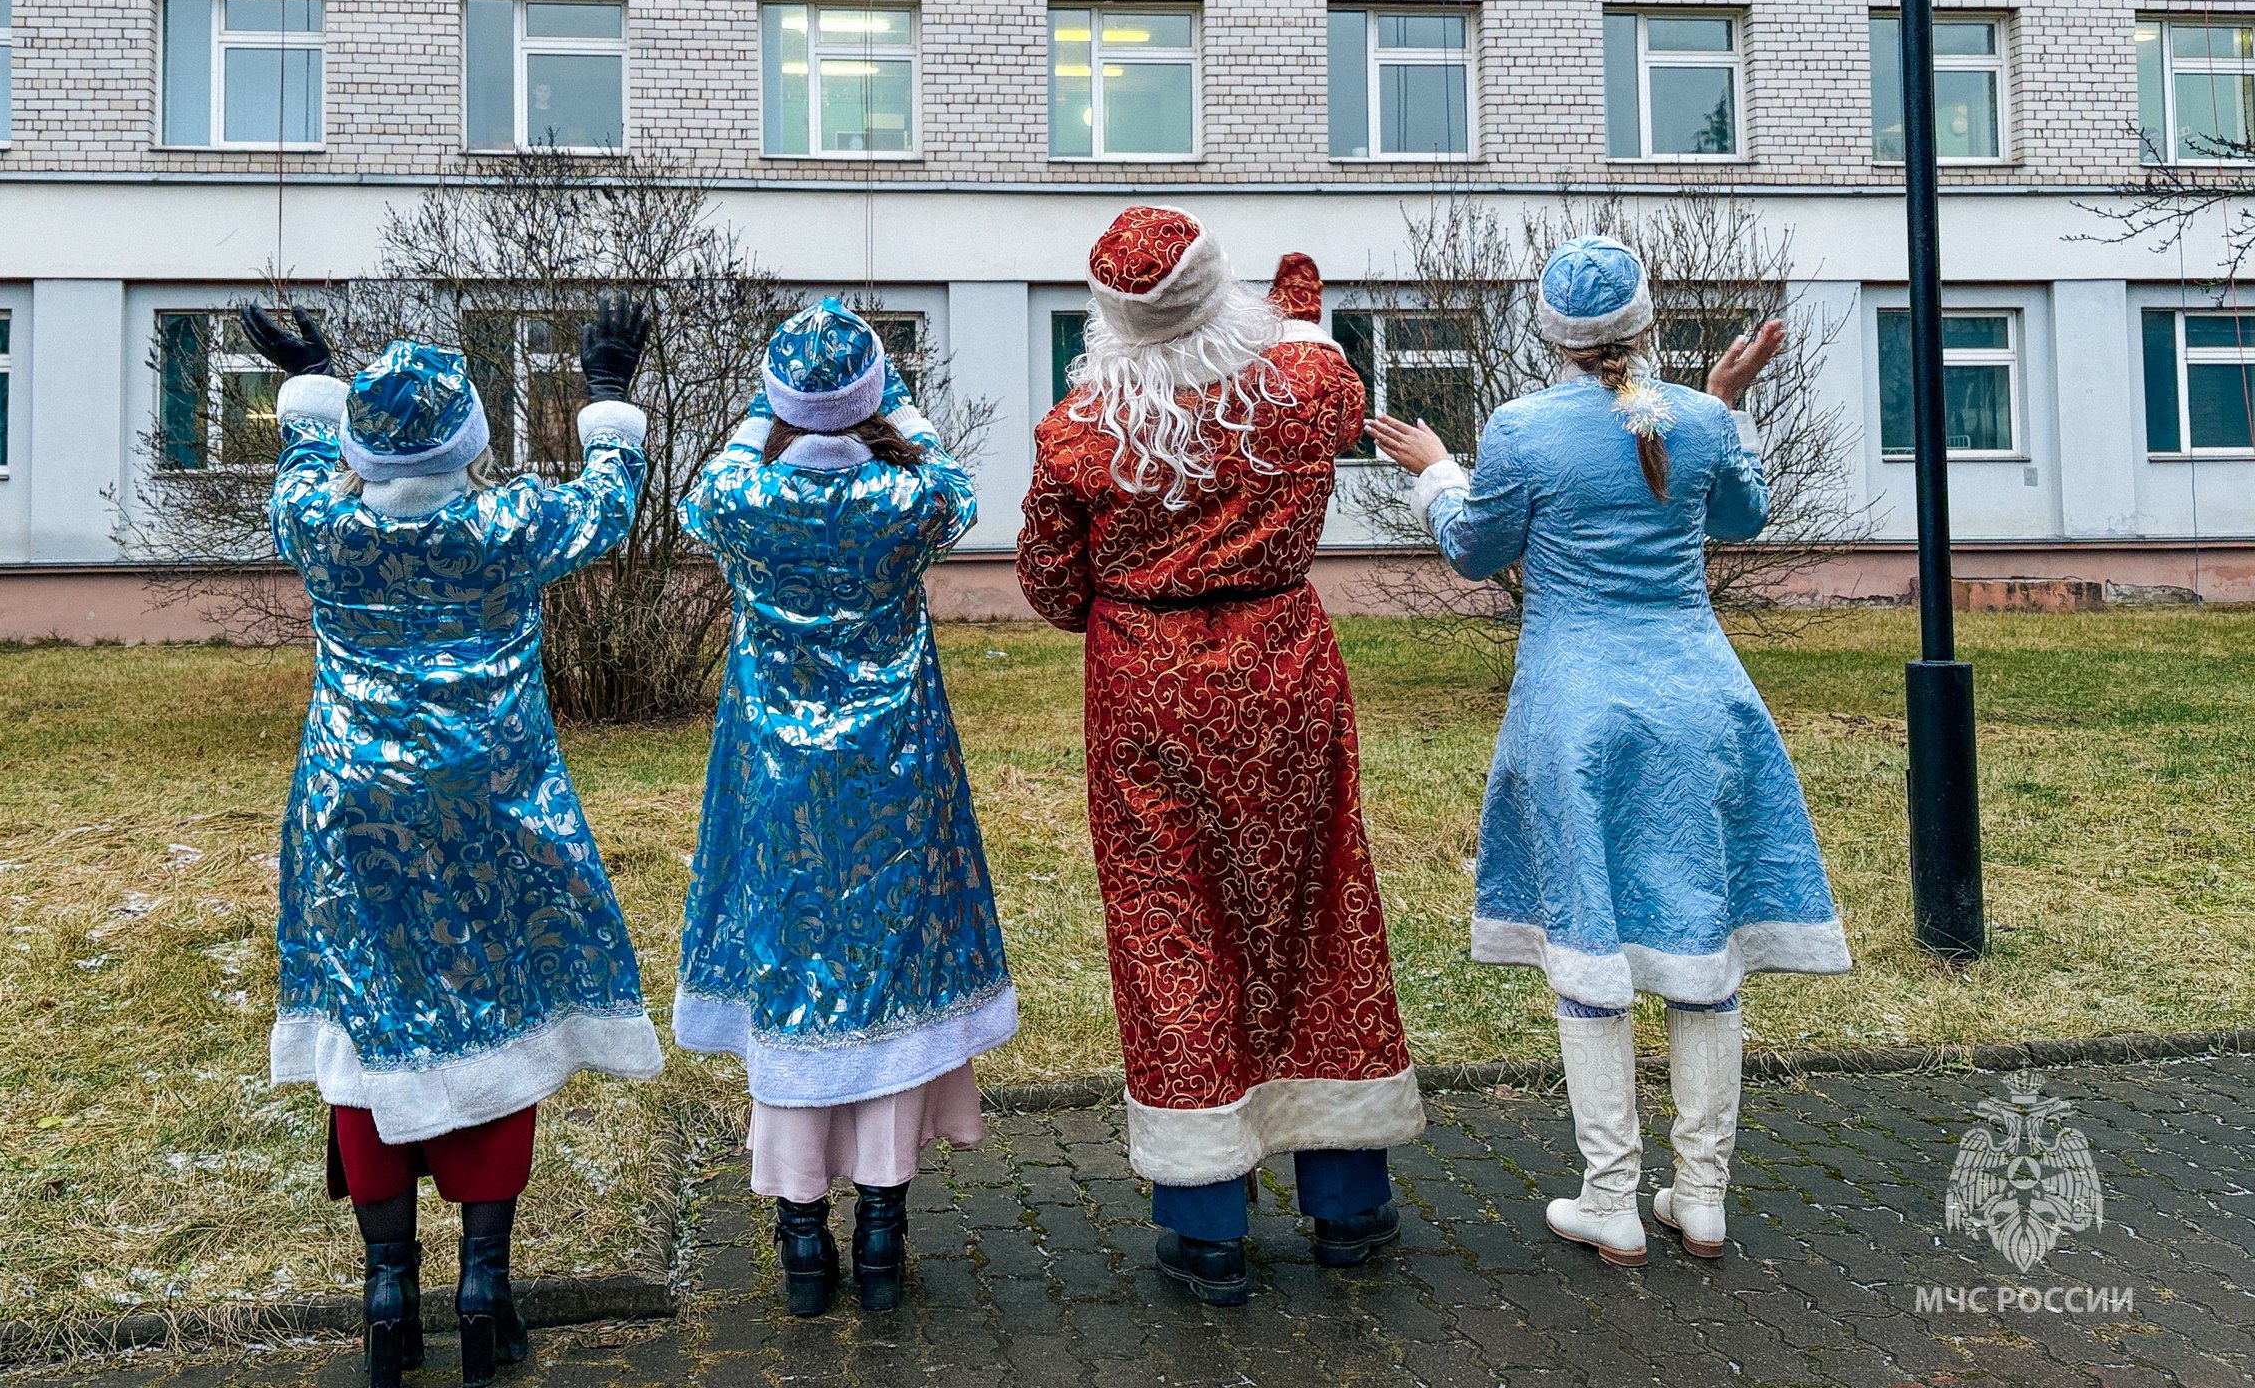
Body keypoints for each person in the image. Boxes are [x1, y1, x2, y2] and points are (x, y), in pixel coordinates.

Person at [1366, 235, 1851, 1268]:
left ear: (1552, 335)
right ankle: (1703, 1199)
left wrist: (1436, 470)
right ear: (1646, 321)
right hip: (1700, 701)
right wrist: (1726, 404)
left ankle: (1610, 1200)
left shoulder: (1521, 429)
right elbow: (1744, 517)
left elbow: (1473, 550)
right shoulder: (1699, 419)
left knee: (1589, 939)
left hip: (1578, 707)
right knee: (1701, 938)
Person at [241, 298, 663, 1387]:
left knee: (366, 1031)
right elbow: (609, 500)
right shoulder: (508, 526)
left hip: (354, 811)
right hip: (490, 807)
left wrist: (312, 377)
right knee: (495, 1022)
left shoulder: (321, 527)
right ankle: (484, 1290)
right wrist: (605, 389)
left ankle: (387, 1298)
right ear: (468, 437)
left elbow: (301, 459)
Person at [1016, 207, 1424, 1308]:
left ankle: (1206, 1227)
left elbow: (1051, 587)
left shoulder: (1077, 432)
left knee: (1170, 920)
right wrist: (1297, 314)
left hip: (1143, 688)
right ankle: (1346, 1204)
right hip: (1283, 666)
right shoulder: (1302, 391)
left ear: (1109, 315)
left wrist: (1132, 594)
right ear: (1215, 285)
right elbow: (1330, 377)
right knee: (1315, 899)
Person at [674, 299, 1016, 1318]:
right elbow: (951, 478)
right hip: (894, 781)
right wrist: (888, 396)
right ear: (871, 400)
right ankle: (880, 1235)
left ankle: (799, 1243)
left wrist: (773, 404)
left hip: (777, 786)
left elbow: (717, 475)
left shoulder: (740, 500)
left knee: (791, 976)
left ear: (779, 405)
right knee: (886, 974)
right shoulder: (908, 501)